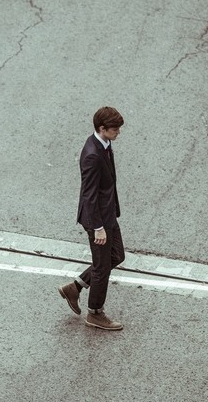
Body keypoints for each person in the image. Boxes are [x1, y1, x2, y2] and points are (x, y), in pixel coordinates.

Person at [58, 106, 126, 331]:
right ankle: (95, 313)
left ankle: (75, 287)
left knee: (116, 256)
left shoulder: (104, 144)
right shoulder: (92, 155)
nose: (118, 132)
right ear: (102, 128)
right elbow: (88, 194)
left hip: (107, 214)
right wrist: (98, 227)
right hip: (98, 220)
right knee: (102, 267)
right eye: (115, 129)